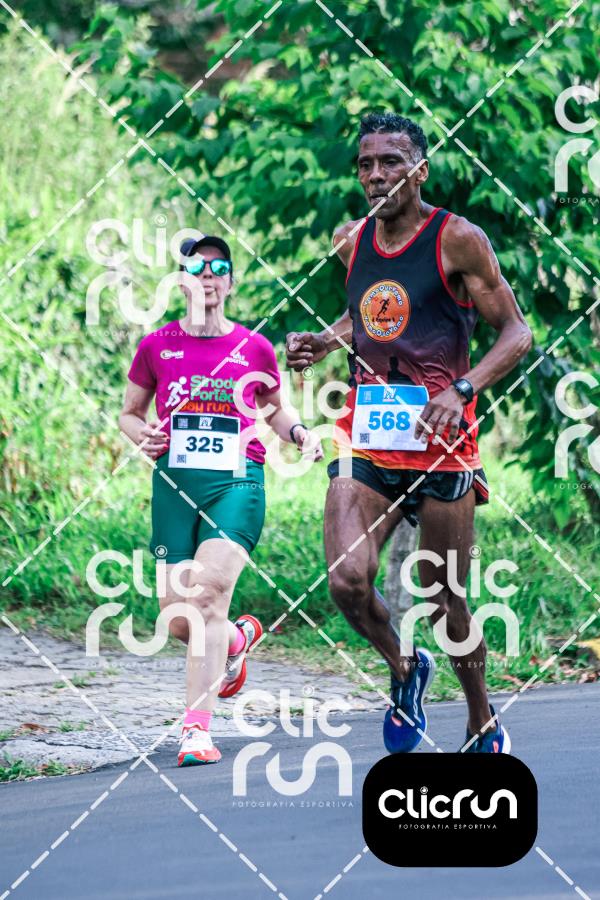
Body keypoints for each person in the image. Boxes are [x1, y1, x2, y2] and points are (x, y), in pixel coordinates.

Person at [286, 112, 532, 754]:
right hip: (367, 435)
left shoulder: (458, 240)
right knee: (346, 579)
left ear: (419, 170)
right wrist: (326, 340)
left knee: (444, 598)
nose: (376, 175)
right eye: (366, 164)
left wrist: (463, 389)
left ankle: (481, 719)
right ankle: (404, 668)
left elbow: (517, 331)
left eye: (390, 162)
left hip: (442, 442)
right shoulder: (351, 240)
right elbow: (370, 312)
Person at [120, 235, 323, 766]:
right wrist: (142, 436)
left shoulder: (253, 348)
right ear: (181, 280)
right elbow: (129, 413)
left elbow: (274, 409)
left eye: (218, 267)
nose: (207, 275)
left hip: (237, 483)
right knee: (177, 617)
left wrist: (299, 432)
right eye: (196, 267)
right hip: (174, 487)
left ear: (230, 282)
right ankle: (234, 640)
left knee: (206, 596)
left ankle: (196, 731)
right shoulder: (156, 346)